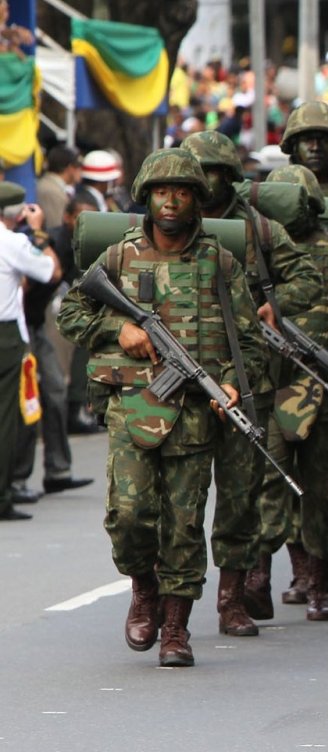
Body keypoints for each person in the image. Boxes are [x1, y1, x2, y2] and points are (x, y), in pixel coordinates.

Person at [57, 149, 264, 666]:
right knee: (129, 517)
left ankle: (175, 626)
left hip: (195, 412)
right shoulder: (120, 259)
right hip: (132, 406)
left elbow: (251, 342)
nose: (171, 202)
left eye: (183, 192)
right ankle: (143, 586)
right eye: (162, 192)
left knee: (184, 524)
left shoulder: (220, 261)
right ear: (146, 197)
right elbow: (71, 310)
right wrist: (116, 328)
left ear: (197, 200)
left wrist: (238, 386)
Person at [181, 129, 318, 633]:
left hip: (246, 377)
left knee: (242, 495)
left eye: (218, 172)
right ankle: (163, 599)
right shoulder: (164, 228)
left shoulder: (259, 230)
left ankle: (233, 597)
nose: (209, 182)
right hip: (180, 381)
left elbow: (306, 277)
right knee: (178, 499)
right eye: (201, 173)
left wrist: (273, 306)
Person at [254, 164, 328, 623]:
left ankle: (318, 582)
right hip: (272, 384)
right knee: (267, 485)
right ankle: (257, 578)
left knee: (322, 489)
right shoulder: (256, 249)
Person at [12, 194, 92, 501]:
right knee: (25, 402)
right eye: (81, 217)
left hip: (34, 325)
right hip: (18, 327)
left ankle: (58, 471)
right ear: (68, 218)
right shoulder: (50, 241)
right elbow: (41, 276)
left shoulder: (78, 246)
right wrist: (40, 236)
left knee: (56, 390)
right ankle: (17, 479)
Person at [1, 191, 62, 521]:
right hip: (5, 336)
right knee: (7, 417)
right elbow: (51, 272)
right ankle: (3, 493)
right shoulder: (11, 242)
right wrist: (38, 231)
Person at [282, 101, 328, 199]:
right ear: (294, 146)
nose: (315, 147)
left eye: (325, 140)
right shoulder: (279, 191)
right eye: (307, 140)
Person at [38, 146, 80, 230]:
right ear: (70, 168)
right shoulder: (52, 191)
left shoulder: (50, 185)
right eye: (78, 166)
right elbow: (55, 227)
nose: (80, 170)